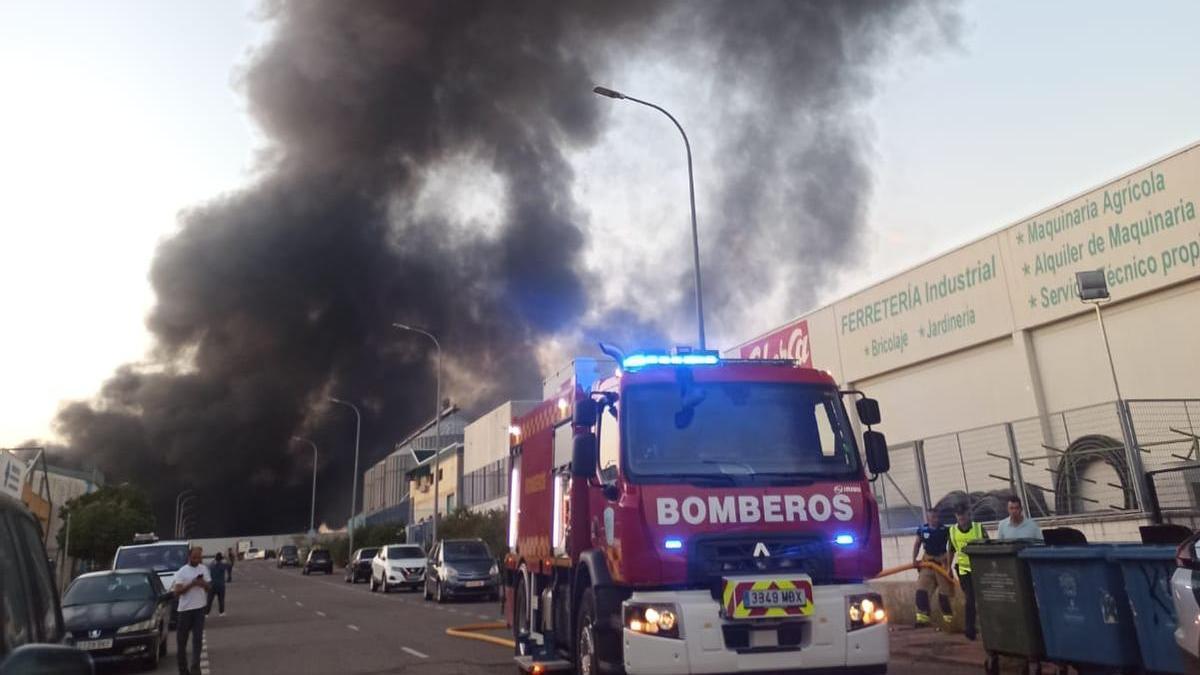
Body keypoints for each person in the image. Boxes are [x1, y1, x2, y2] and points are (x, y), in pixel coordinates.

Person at [947, 503, 986, 641]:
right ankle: (970, 628)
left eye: (963, 514)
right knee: (970, 598)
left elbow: (988, 546)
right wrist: (948, 568)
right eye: (958, 514)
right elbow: (951, 550)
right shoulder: (952, 531)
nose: (961, 517)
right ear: (956, 516)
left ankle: (980, 627)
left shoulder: (978, 528)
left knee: (981, 599)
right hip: (964, 571)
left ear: (968, 514)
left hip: (980, 569)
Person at [911, 508, 954, 628]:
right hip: (927, 563)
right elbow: (917, 544)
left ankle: (950, 621)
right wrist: (914, 560)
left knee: (944, 594)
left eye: (935, 517)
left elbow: (951, 546)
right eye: (931, 517)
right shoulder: (922, 530)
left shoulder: (945, 530)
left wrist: (948, 564)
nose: (934, 520)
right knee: (921, 590)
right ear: (927, 518)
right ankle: (922, 619)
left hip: (941, 564)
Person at [172, 547, 211, 675]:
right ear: (189, 557)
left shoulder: (203, 569)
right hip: (185, 611)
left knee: (197, 639)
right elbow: (177, 592)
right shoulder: (182, 572)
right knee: (182, 642)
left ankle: (195, 669)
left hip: (199, 609)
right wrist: (192, 584)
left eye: (199, 557)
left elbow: (208, 588)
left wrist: (202, 583)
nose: (197, 560)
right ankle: (183, 670)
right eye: (195, 557)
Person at [206, 552, 228, 616]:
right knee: (221, 599)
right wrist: (226, 558)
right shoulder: (223, 565)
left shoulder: (211, 565)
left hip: (212, 584)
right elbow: (230, 564)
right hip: (221, 585)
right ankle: (221, 612)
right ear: (221, 559)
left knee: (209, 600)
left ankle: (206, 613)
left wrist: (214, 560)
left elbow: (209, 567)